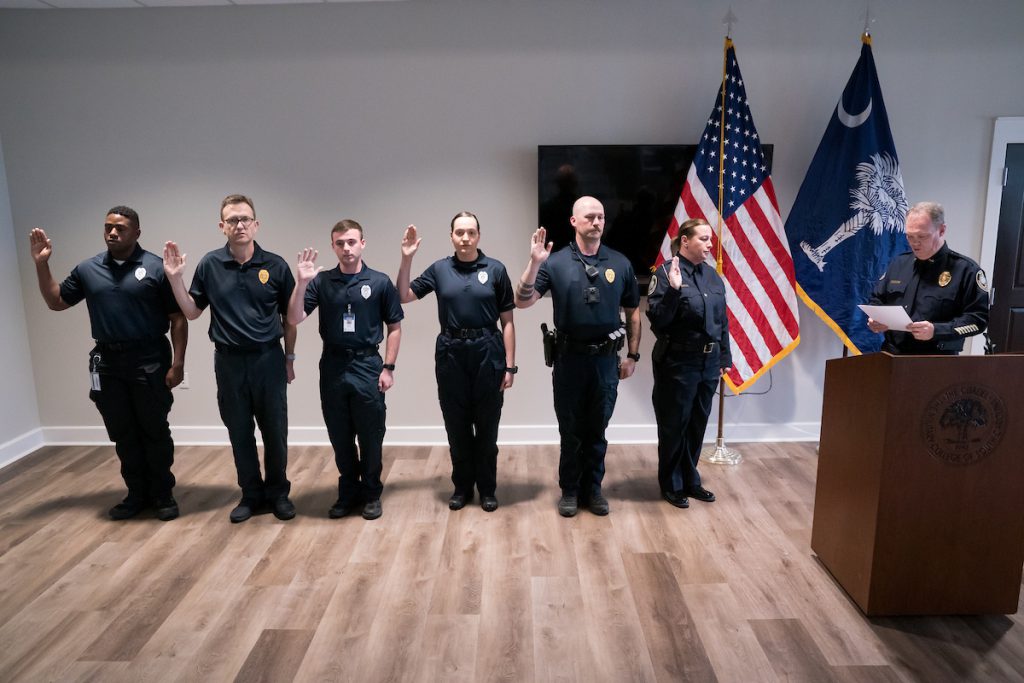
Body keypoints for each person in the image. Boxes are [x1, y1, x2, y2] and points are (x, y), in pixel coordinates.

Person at [29, 206, 187, 521]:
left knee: (154, 430)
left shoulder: (156, 268)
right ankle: (136, 494)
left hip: (149, 359)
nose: (112, 232)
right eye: (108, 227)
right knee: (123, 432)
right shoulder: (88, 269)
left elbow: (177, 318)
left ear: (137, 233)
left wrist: (178, 362)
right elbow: (56, 301)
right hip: (108, 363)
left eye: (120, 228)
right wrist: (42, 265)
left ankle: (162, 494)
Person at [163, 194, 297, 523]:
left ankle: (278, 493)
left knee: (275, 430)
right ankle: (251, 495)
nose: (240, 225)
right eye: (233, 220)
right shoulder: (210, 265)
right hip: (229, 362)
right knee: (239, 431)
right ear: (222, 227)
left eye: (245, 219)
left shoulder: (275, 265)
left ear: (256, 224)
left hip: (269, 360)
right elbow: (192, 313)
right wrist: (175, 280)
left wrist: (290, 358)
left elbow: (290, 318)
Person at [515, 196, 641, 517]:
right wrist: (534, 262)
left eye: (601, 216)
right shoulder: (554, 262)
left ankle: (593, 490)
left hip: (605, 362)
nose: (597, 222)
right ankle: (570, 490)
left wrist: (633, 355)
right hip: (569, 360)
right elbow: (522, 300)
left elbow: (633, 312)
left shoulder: (620, 263)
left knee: (597, 429)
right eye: (589, 217)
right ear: (574, 222)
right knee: (570, 430)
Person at [396, 212, 516, 512]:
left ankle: (487, 488)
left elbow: (508, 322)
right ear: (451, 235)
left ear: (479, 235)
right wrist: (407, 258)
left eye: (471, 232)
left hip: (488, 350)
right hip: (451, 350)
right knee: (457, 425)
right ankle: (462, 487)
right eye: (460, 232)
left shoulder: (496, 269)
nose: (465, 238)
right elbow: (403, 295)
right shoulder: (440, 269)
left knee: (487, 427)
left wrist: (510, 365)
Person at [287, 219, 403, 520]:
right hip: (334, 365)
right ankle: (348, 492)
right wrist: (301, 283)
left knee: (370, 434)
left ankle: (372, 494)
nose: (346, 248)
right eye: (340, 243)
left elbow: (394, 326)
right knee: (340, 434)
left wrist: (388, 367)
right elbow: (295, 317)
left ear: (362, 243)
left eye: (352, 242)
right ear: (333, 246)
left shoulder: (379, 282)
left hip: (367, 364)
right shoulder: (322, 281)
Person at [647, 218, 732, 508]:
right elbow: (658, 320)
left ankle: (689, 478)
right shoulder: (665, 273)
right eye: (704, 239)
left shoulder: (712, 277)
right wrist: (672, 290)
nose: (710, 245)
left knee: (697, 423)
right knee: (675, 423)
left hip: (709, 363)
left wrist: (725, 357)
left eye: (711, 240)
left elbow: (722, 321)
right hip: (678, 362)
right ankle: (671, 483)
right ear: (685, 240)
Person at [867, 202, 989, 354]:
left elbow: (978, 320)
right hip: (892, 356)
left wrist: (937, 330)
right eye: (909, 236)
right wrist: (877, 318)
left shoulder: (966, 270)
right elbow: (877, 298)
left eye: (922, 236)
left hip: (936, 360)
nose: (914, 243)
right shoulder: (899, 263)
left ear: (942, 230)